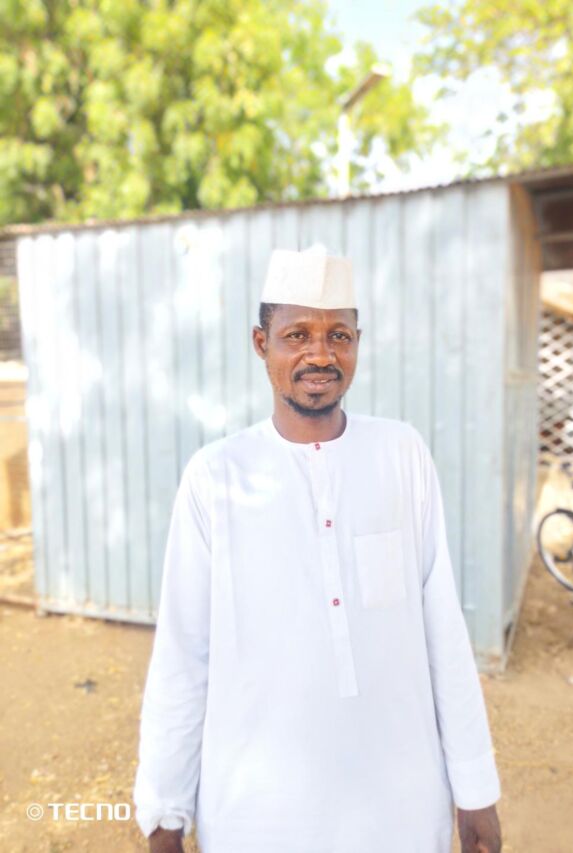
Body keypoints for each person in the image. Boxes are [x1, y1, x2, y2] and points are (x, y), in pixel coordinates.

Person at [133, 244, 502, 853]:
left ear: (358, 342)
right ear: (261, 343)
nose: (321, 354)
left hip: (401, 806)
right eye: (297, 335)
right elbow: (183, 654)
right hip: (257, 815)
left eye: (338, 335)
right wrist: (164, 813)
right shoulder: (216, 477)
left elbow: (442, 630)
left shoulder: (401, 454)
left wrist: (476, 788)